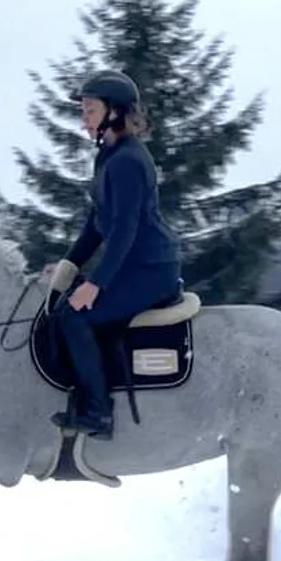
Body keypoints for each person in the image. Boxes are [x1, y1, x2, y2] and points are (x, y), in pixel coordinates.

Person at [48, 69, 183, 439]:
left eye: (90, 110)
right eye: (83, 111)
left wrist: (95, 284)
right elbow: (97, 223)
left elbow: (125, 230)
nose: (83, 119)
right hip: (132, 264)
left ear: (115, 112)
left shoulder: (128, 161)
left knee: (75, 317)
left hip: (151, 268)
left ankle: (99, 413)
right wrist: (68, 266)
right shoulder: (107, 157)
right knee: (62, 308)